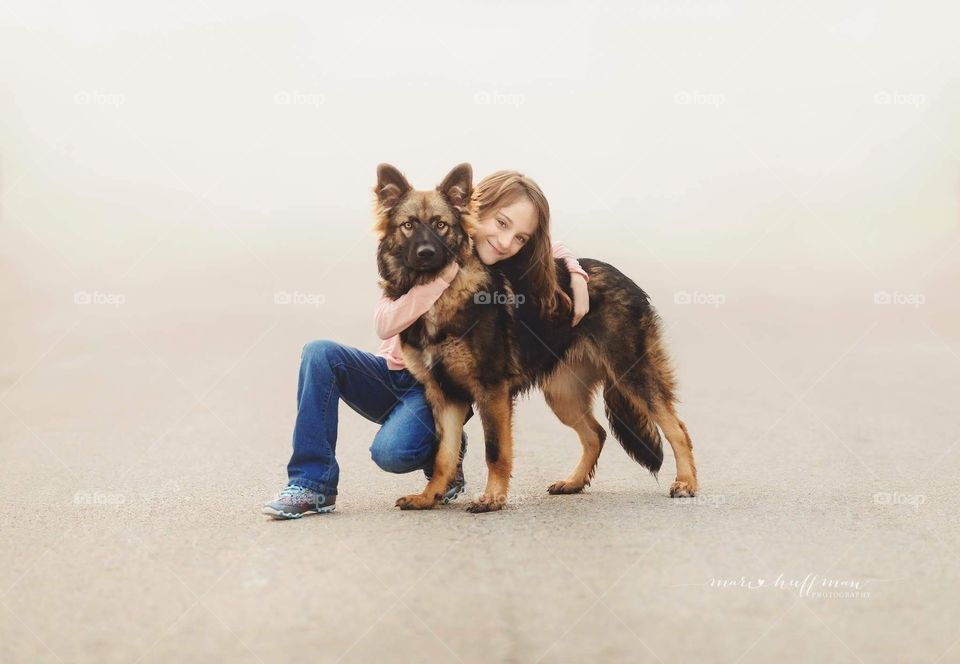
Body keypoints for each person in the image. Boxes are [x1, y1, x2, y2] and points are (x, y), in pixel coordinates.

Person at [262, 170, 590, 518]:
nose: (507, 241)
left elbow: (544, 245)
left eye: (518, 237)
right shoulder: (401, 266)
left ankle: (446, 456)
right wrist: (439, 281)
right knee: (319, 353)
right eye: (501, 224)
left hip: (434, 388)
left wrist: (577, 272)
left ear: (461, 215)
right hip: (393, 373)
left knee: (391, 452)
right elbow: (384, 323)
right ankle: (312, 485)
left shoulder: (490, 258)